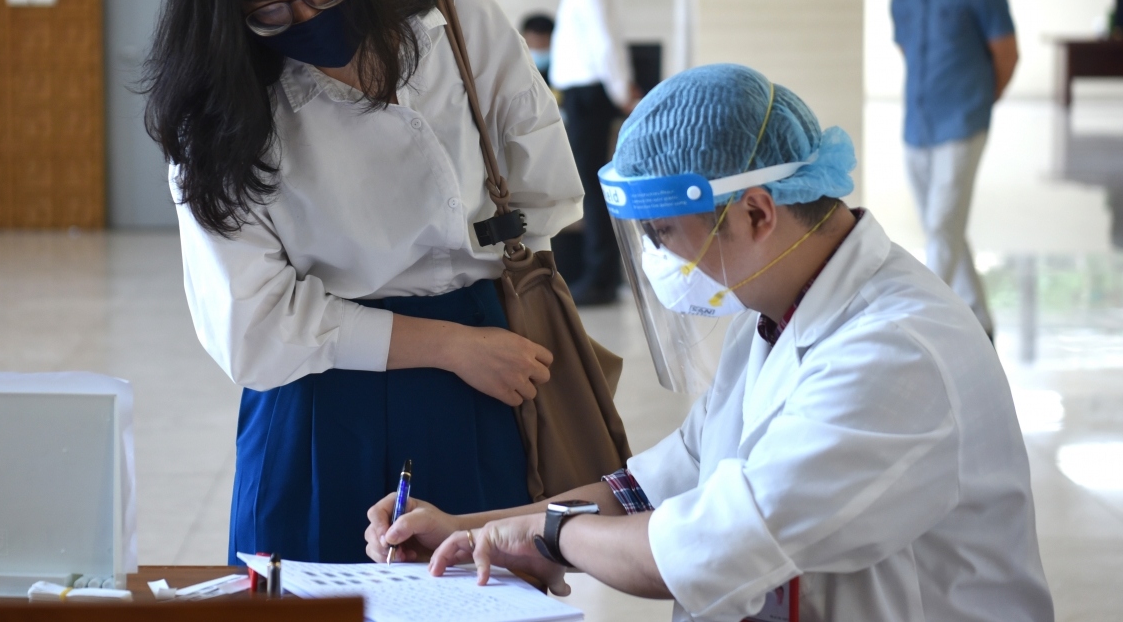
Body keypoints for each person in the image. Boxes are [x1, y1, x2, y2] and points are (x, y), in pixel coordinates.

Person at [365, 64, 1053, 621]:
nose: (661, 261)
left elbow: (708, 550)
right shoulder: (779, 310)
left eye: (665, 236)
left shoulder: (898, 352)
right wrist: (468, 530)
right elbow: (658, 485)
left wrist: (549, 535)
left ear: (756, 211)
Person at [143, 0, 584, 563]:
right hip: (320, 397)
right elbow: (254, 328)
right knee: (312, 592)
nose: (311, 19)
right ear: (227, 12)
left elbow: (547, 194)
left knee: (477, 592)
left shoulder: (461, 19)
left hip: (486, 374)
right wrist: (447, 343)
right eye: (273, 12)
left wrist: (486, 318)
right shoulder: (216, 112)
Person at [893, 0, 1018, 339]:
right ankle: (980, 321)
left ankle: (923, 323)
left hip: (962, 123)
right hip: (917, 126)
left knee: (943, 225)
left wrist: (981, 102)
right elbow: (910, 55)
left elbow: (1006, 55)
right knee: (942, 224)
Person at [545, 0, 637, 306]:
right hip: (585, 93)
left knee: (594, 189)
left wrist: (622, 91)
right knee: (591, 186)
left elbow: (603, 42)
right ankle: (598, 275)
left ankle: (600, 278)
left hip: (590, 93)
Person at [519, 13, 554, 85]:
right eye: (531, 44)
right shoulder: (513, 76)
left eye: (543, 45)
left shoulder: (567, 76)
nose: (538, 51)